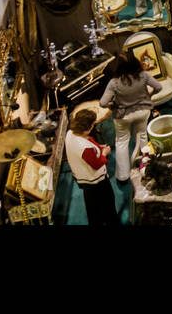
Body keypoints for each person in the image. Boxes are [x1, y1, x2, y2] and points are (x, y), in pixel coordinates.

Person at [99, 53, 160, 183]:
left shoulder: (114, 82)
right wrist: (149, 95)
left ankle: (123, 176)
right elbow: (158, 87)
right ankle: (144, 166)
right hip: (143, 111)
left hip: (123, 116)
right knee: (142, 136)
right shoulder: (143, 75)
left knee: (122, 141)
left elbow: (103, 103)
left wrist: (112, 105)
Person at [64, 108, 117, 225]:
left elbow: (87, 141)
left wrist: (98, 146)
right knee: (108, 206)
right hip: (96, 182)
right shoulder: (85, 147)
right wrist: (104, 153)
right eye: (92, 125)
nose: (93, 127)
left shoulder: (70, 133)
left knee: (92, 208)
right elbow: (97, 164)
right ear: (87, 128)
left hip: (84, 179)